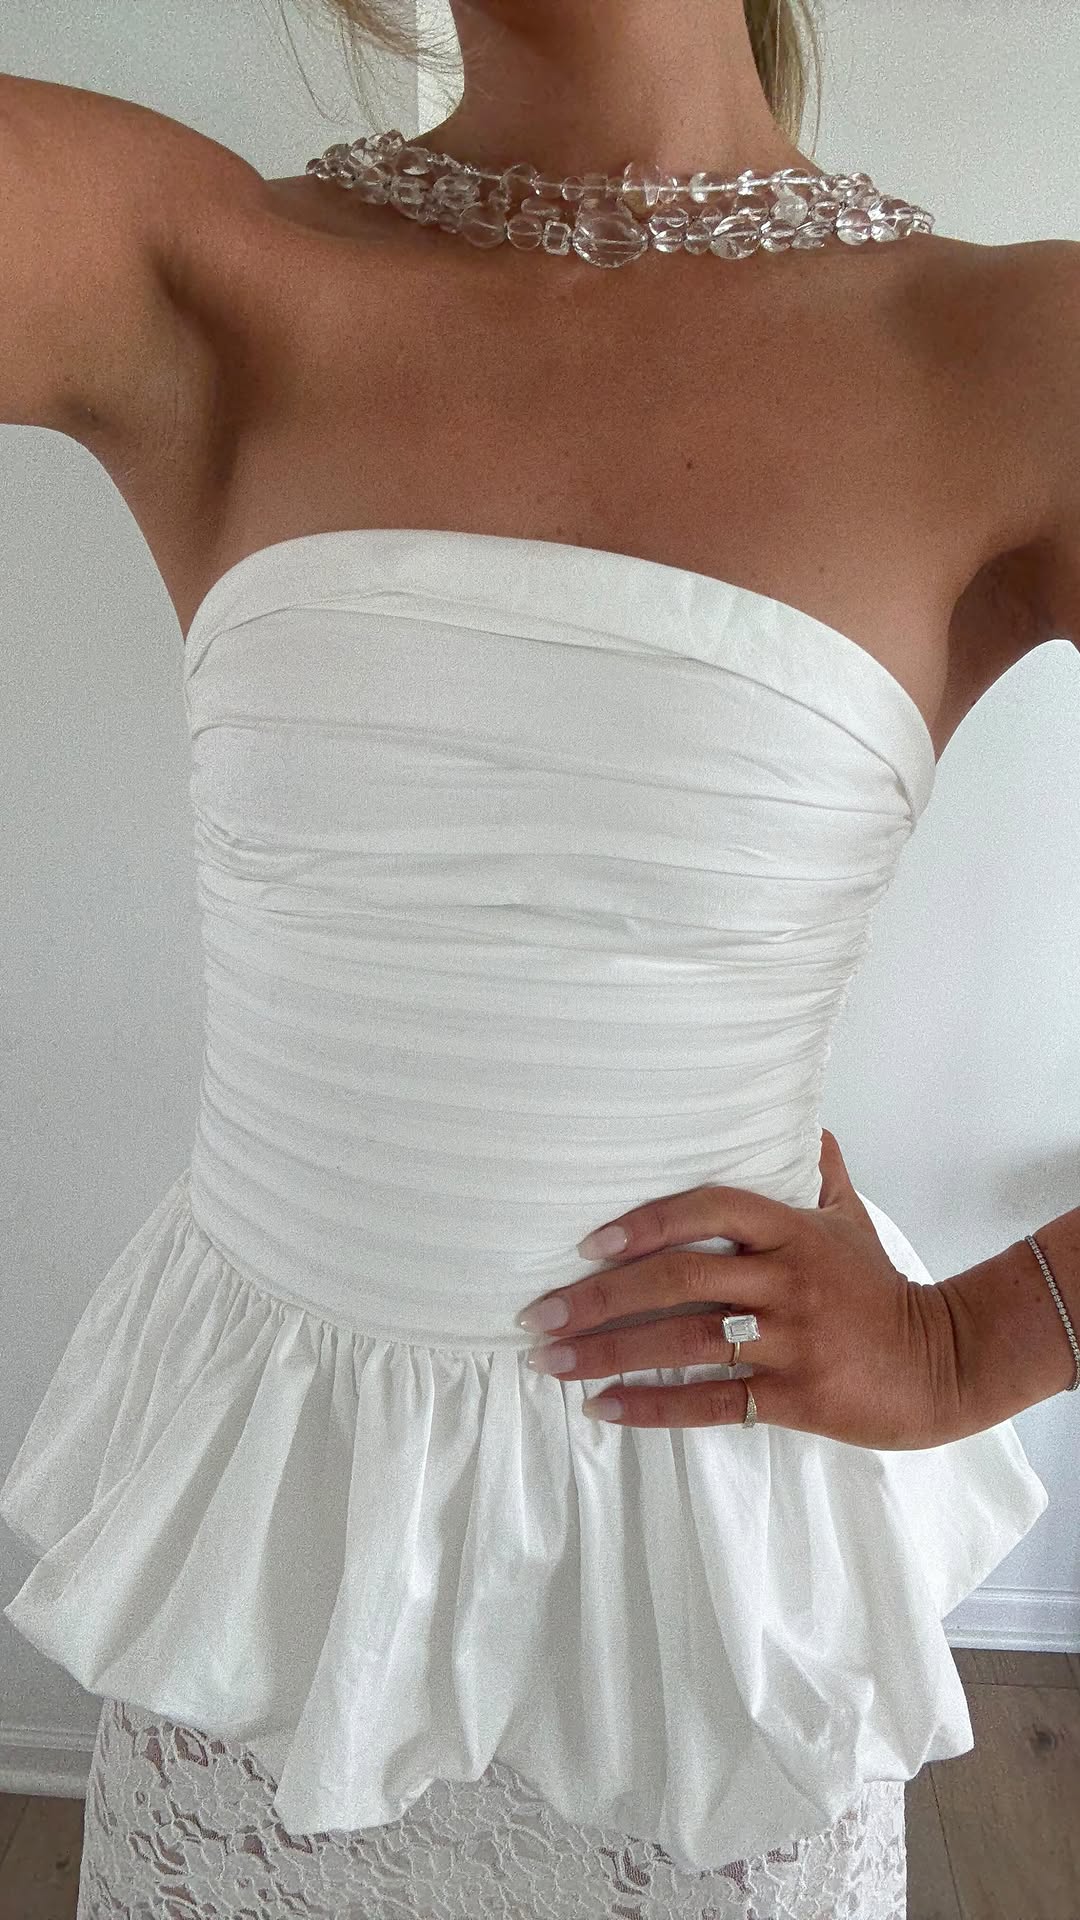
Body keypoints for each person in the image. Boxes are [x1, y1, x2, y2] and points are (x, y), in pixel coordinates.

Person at [1, 1, 1078, 1914]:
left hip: (706, 1602)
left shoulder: (1014, 354)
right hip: (275, 1557)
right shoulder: (186, 265)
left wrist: (978, 1341)